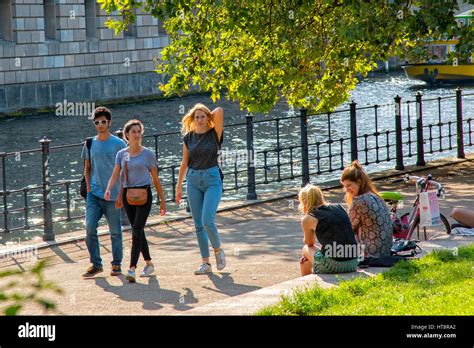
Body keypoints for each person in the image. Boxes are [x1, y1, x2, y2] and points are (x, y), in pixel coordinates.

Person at [105, 119, 166, 283]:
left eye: (139, 132)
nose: (137, 135)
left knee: (136, 230)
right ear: (126, 135)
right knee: (138, 230)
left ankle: (132, 268)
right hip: (127, 197)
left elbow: (156, 179)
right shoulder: (122, 154)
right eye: (134, 132)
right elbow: (116, 175)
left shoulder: (148, 154)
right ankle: (149, 263)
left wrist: (163, 200)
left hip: (145, 195)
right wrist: (110, 189)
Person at [175, 104, 226, 275]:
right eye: (196, 117)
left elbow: (219, 111)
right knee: (198, 225)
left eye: (202, 116)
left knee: (207, 220)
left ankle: (218, 250)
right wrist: (178, 186)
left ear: (208, 118)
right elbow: (184, 163)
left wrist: (206, 113)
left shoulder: (214, 134)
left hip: (212, 179)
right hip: (193, 180)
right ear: (192, 119)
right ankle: (206, 263)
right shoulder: (188, 138)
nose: (199, 120)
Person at [82, 106, 127, 278]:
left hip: (113, 195)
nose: (100, 125)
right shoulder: (89, 143)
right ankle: (96, 263)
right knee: (89, 228)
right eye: (97, 122)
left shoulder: (119, 144)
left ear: (109, 123)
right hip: (94, 194)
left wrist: (121, 194)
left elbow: (125, 170)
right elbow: (87, 167)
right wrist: (88, 186)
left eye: (103, 122)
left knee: (115, 232)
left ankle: (116, 265)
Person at [298, 184, 359, 275]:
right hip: (353, 261)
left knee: (305, 249)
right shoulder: (339, 207)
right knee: (305, 262)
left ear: (303, 202)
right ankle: (309, 278)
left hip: (333, 265)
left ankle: (306, 284)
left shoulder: (308, 219)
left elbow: (309, 243)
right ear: (320, 196)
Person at [340, 160, 393, 258]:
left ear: (359, 182)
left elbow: (348, 228)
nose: (347, 190)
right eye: (344, 186)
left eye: (349, 185)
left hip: (370, 253)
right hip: (385, 249)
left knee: (326, 251)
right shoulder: (375, 196)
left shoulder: (359, 201)